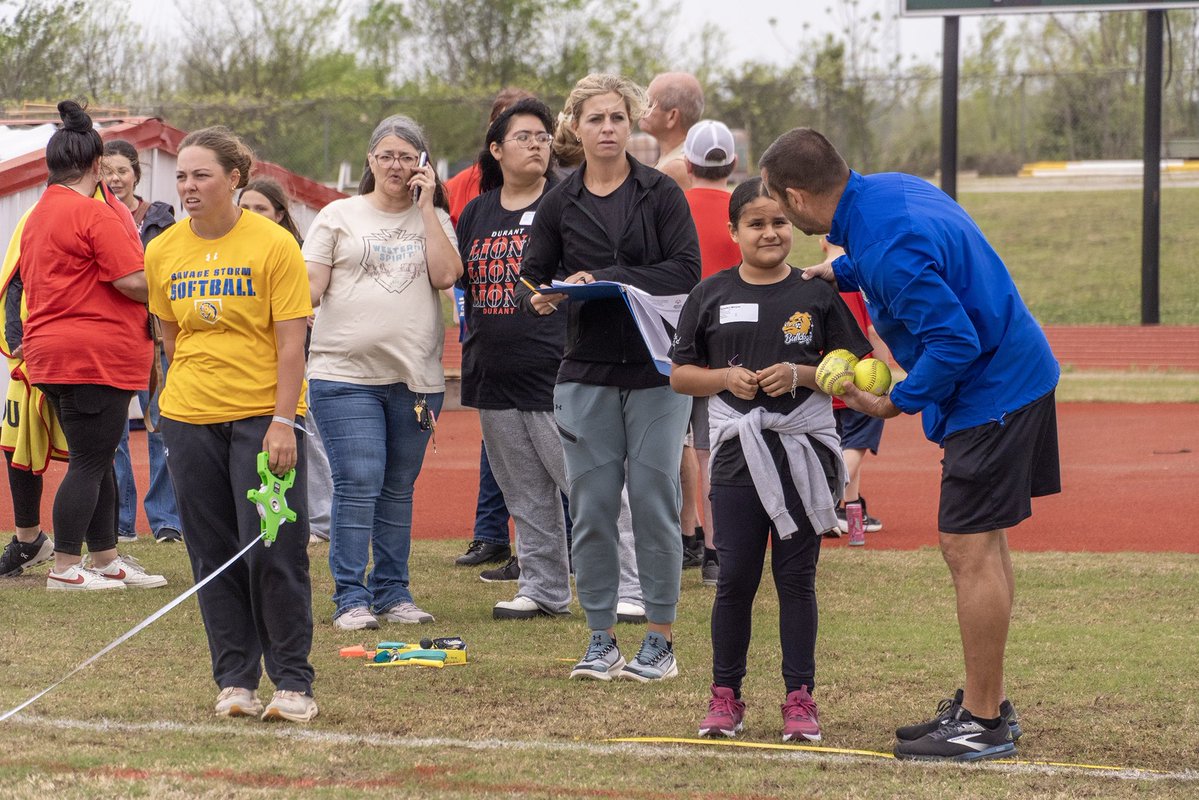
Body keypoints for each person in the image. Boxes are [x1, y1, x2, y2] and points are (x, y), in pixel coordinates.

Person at [760, 127, 1059, 761]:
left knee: (966, 548)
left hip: (994, 393)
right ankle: (990, 706)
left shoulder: (886, 242)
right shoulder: (888, 193)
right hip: (1016, 375)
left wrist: (894, 400)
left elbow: (954, 342)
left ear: (796, 196)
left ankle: (981, 723)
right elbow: (906, 255)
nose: (785, 218)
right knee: (984, 544)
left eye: (781, 207)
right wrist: (835, 270)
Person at [671, 175, 871, 741]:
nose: (770, 232)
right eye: (756, 223)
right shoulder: (710, 294)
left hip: (800, 452)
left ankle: (799, 698)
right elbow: (679, 374)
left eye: (779, 221)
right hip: (736, 457)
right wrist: (724, 378)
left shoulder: (816, 293)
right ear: (733, 231)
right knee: (734, 578)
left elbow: (857, 364)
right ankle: (725, 696)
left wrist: (803, 374)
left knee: (796, 580)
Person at [516, 73, 700, 681]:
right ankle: (599, 639)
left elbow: (686, 270)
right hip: (585, 373)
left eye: (617, 118)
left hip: (655, 375)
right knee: (592, 509)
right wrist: (545, 297)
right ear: (575, 127)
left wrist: (610, 279)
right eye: (594, 119)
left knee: (654, 504)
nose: (607, 129)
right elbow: (532, 276)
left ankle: (659, 640)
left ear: (631, 124)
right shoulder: (558, 202)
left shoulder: (661, 193)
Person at [147, 125, 317, 722]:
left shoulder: (274, 245)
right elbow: (172, 338)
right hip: (189, 419)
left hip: (260, 419)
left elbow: (291, 345)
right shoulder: (163, 249)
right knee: (211, 551)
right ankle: (236, 680)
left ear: (235, 179)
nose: (189, 186)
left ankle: (293, 683)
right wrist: (176, 407)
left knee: (271, 546)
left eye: (202, 175)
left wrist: (281, 421)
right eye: (183, 176)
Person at [305, 114, 461, 631]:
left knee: (397, 487)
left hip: (416, 380)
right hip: (343, 374)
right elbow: (309, 289)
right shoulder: (337, 216)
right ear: (370, 160)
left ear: (423, 164)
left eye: (407, 156)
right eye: (386, 155)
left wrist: (427, 207)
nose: (396, 165)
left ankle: (393, 593)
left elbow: (445, 276)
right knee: (359, 478)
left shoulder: (435, 218)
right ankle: (350, 596)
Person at [19, 101, 164, 592]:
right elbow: (134, 281)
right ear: (97, 166)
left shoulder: (39, 213)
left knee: (96, 457)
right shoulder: (92, 214)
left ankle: (104, 559)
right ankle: (65, 567)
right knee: (89, 461)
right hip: (93, 356)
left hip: (54, 354)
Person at [456, 97, 573, 618]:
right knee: (524, 495)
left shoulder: (567, 203)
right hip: (493, 371)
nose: (537, 145)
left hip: (555, 371)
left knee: (584, 486)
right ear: (496, 149)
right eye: (524, 137)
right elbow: (464, 283)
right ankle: (544, 589)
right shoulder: (478, 211)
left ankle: (624, 587)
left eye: (543, 137)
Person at [446, 87, 536, 569]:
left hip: (543, 351)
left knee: (549, 456)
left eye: (535, 133)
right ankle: (490, 533)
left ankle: (555, 550)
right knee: (498, 444)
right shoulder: (467, 189)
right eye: (512, 130)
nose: (528, 143)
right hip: (485, 329)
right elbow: (455, 258)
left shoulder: (558, 193)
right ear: (493, 138)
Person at [238, 178, 334, 546]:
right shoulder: (232, 249)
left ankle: (322, 518)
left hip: (295, 354)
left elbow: (314, 295)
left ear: (279, 214)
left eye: (260, 208)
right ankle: (270, 509)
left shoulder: (292, 251)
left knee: (306, 435)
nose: (251, 216)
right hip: (252, 360)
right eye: (244, 208)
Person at [101, 138, 184, 545]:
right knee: (111, 434)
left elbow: (172, 272)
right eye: (106, 171)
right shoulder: (92, 214)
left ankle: (167, 520)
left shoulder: (160, 219)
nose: (114, 178)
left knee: (162, 430)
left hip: (155, 338)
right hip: (111, 338)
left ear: (136, 172)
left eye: (121, 170)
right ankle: (120, 522)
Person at [680, 119, 742, 586]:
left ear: (687, 163)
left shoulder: (674, 206)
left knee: (676, 447)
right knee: (711, 452)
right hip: (728, 346)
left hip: (673, 340)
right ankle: (717, 553)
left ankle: (687, 534)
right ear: (734, 163)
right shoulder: (743, 213)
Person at [0, 210, 66, 578]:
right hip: (34, 346)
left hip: (83, 346)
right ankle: (29, 540)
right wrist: (15, 337)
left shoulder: (109, 216)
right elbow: (14, 275)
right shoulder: (37, 216)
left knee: (95, 453)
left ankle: (104, 551)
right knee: (14, 443)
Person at [819, 239, 891, 536]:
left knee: (842, 443)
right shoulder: (860, 277)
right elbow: (875, 331)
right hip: (862, 377)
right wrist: (885, 374)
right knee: (856, 446)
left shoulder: (817, 279)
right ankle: (823, 501)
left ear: (823, 241)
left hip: (829, 378)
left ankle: (852, 511)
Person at [639, 72, 704, 192]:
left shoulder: (676, 167)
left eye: (649, 104)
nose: (642, 109)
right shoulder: (680, 158)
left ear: (672, 116)